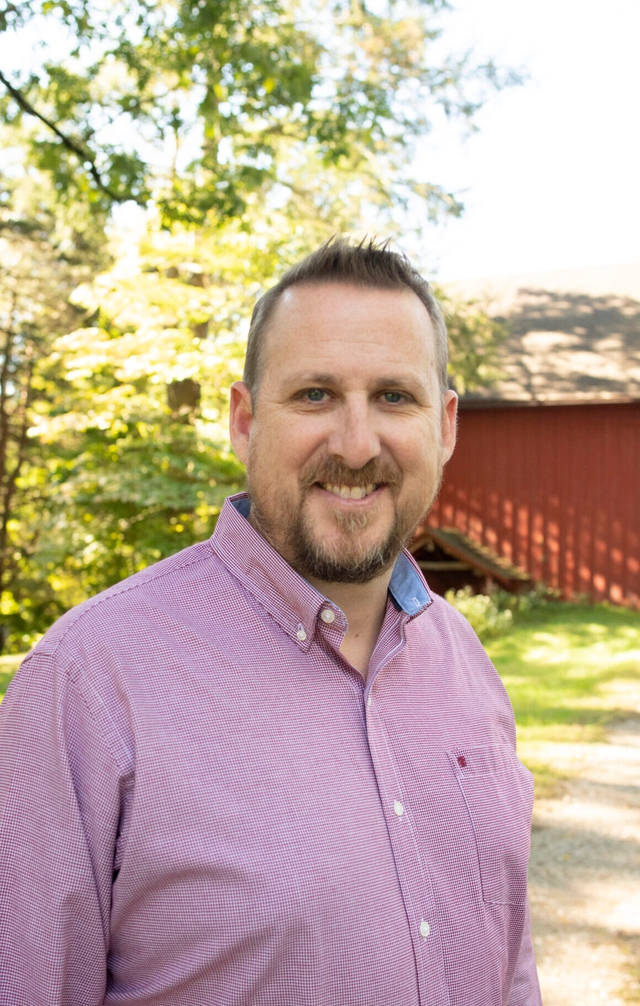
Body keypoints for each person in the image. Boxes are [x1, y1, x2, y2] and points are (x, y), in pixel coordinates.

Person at [0, 237, 541, 1005]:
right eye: (315, 394)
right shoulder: (90, 681)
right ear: (245, 421)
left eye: (394, 397)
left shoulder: (466, 667)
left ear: (445, 425)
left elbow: (509, 965)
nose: (357, 445)